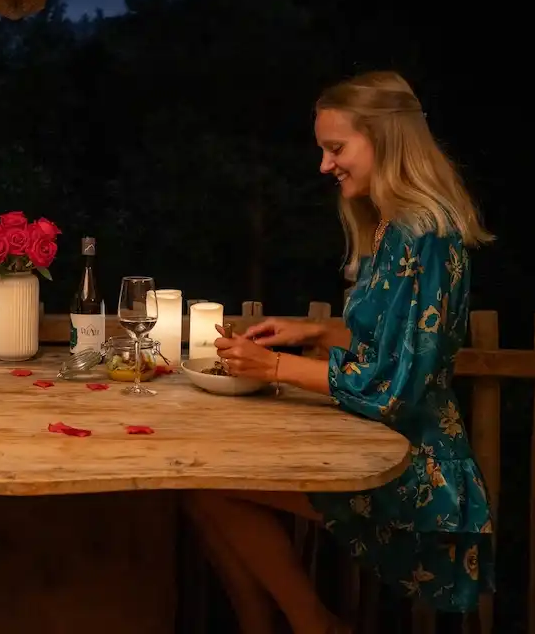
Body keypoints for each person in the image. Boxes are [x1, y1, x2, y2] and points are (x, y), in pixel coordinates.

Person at [186, 71, 495, 634]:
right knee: (204, 490)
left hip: (414, 468)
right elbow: (392, 346)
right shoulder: (391, 228)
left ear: (386, 138)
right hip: (373, 444)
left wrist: (276, 368)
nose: (325, 165)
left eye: (336, 149)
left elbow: (397, 389)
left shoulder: (426, 233)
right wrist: (316, 334)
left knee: (208, 483)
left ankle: (314, 626)